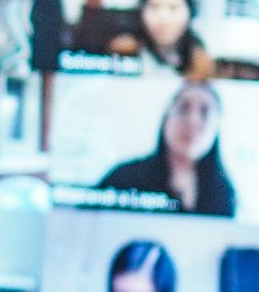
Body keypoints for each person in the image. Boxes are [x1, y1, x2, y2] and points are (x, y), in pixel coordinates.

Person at [97, 81, 237, 217]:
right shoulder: (123, 178)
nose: (192, 122)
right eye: (183, 109)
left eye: (205, 113)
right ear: (166, 118)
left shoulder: (223, 193)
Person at [106, 0, 215, 79]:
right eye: (154, 6)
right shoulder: (124, 49)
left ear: (190, 12)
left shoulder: (199, 61)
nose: (163, 17)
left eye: (173, 7)